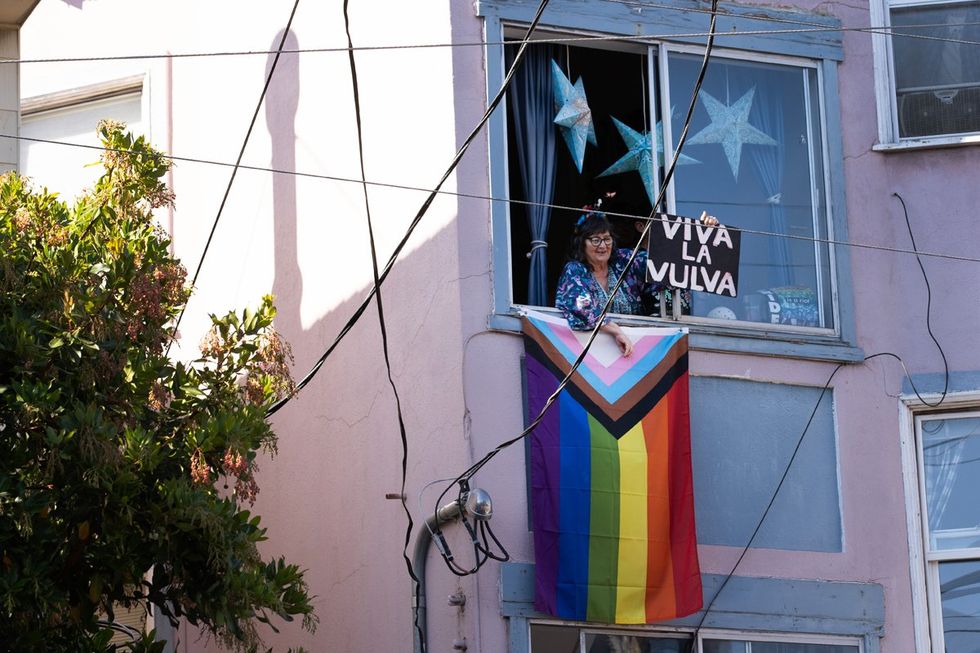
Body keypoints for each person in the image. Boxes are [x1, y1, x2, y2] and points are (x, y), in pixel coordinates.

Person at [555, 207, 718, 357]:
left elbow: (668, 267)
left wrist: (703, 237)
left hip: (635, 352)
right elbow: (582, 308)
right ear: (581, 243)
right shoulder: (574, 270)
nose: (603, 246)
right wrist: (615, 331)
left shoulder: (624, 261)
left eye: (607, 239)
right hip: (588, 356)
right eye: (596, 240)